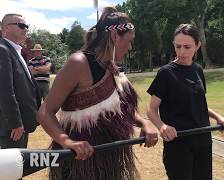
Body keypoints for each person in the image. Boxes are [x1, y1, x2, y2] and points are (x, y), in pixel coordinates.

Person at [37, 7, 158, 180]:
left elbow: (124, 109)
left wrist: (144, 123)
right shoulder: (79, 63)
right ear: (115, 36)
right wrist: (67, 141)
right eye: (129, 40)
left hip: (108, 163)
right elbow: (44, 112)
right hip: (78, 165)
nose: (131, 47)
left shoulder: (112, 67)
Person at [147, 24, 224, 180]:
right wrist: (162, 126)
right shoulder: (166, 73)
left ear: (198, 45)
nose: (182, 52)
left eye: (187, 47)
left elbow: (198, 104)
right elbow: (151, 110)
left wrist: (218, 117)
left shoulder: (198, 70)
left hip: (203, 141)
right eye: (178, 46)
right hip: (178, 145)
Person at [0, 14, 40, 149]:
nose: (26, 29)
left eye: (26, 26)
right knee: (11, 168)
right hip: (11, 128)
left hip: (19, 123)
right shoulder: (2, 50)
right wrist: (15, 123)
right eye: (21, 25)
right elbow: (5, 90)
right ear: (5, 29)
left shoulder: (15, 50)